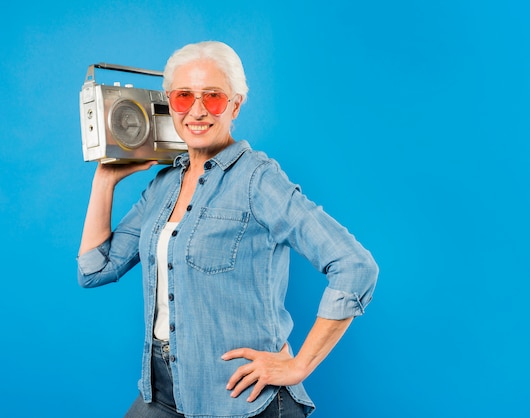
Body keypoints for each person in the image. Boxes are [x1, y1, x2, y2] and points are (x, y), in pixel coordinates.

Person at [77, 41, 379, 418]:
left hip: (241, 400)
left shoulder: (257, 180)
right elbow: (94, 270)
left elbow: (355, 266)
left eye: (214, 97)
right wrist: (104, 181)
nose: (198, 111)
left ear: (235, 105)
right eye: (184, 96)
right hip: (163, 390)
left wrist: (299, 364)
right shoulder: (164, 185)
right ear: (170, 103)